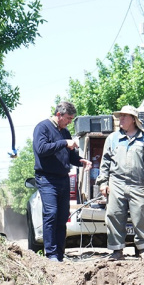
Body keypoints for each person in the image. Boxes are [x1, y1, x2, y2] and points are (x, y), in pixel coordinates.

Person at [96, 105, 144, 262]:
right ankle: (116, 251)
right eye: (120, 116)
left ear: (133, 119)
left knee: (141, 216)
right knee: (113, 215)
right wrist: (103, 182)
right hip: (116, 183)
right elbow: (105, 162)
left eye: (125, 116)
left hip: (139, 183)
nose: (121, 119)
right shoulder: (112, 139)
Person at [32, 101, 91, 262]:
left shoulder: (64, 132)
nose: (70, 122)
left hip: (63, 179)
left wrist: (81, 161)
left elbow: (71, 157)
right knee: (51, 213)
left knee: (62, 216)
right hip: (47, 179)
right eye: (68, 118)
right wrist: (64, 143)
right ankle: (50, 254)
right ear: (59, 115)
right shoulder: (42, 128)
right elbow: (41, 149)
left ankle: (59, 253)